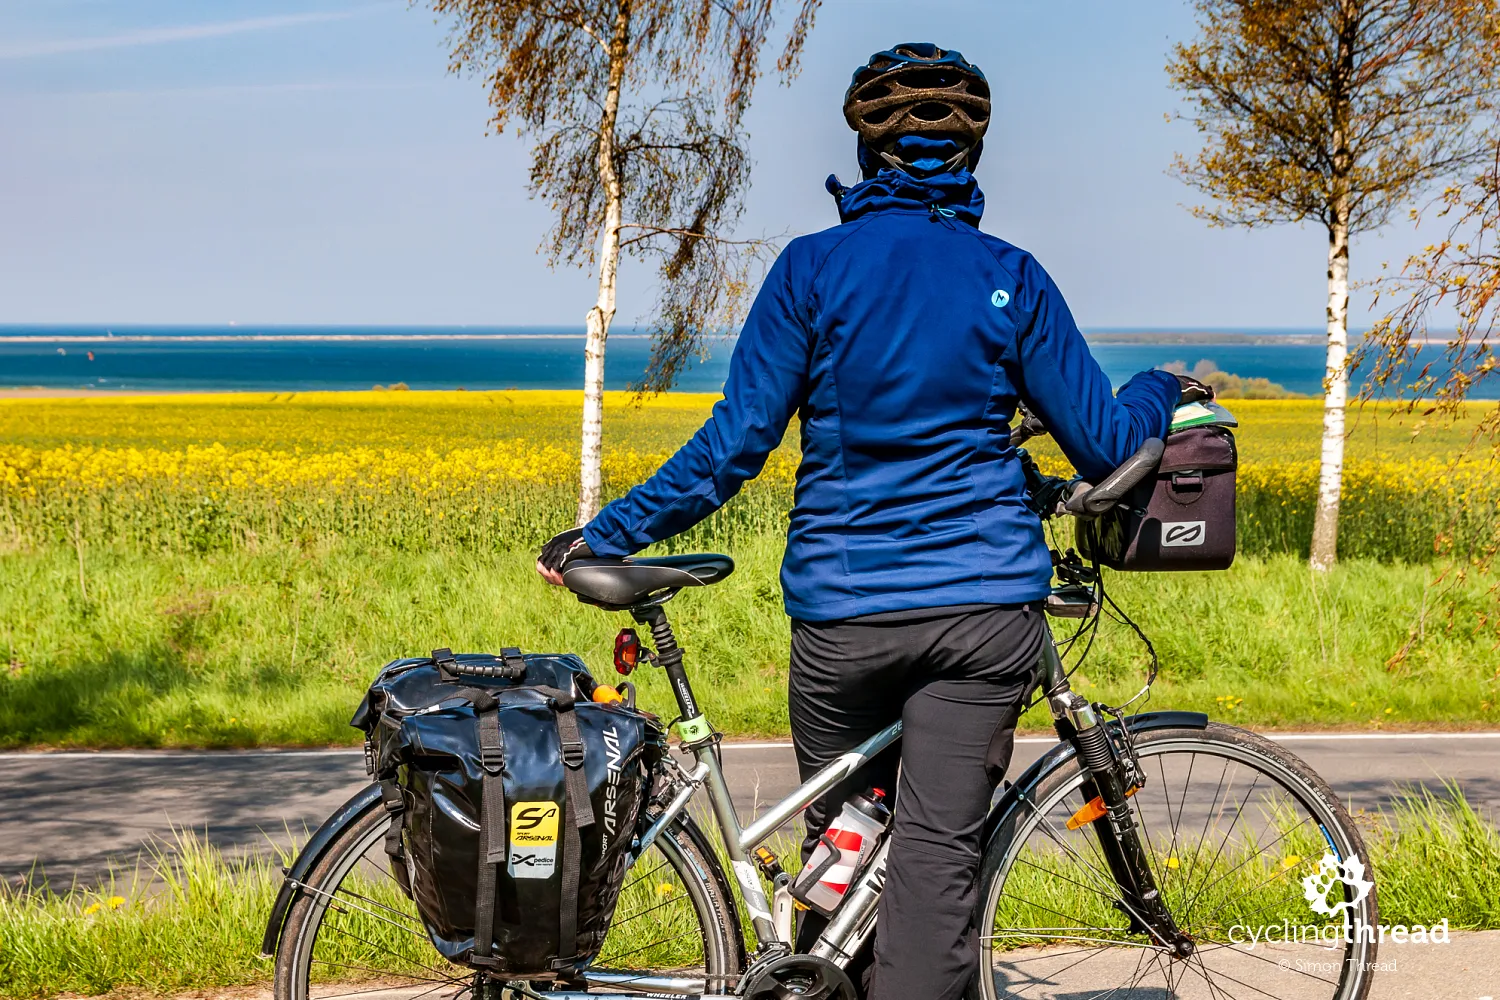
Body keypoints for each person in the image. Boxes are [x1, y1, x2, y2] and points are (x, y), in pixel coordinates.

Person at [538, 42, 1205, 1000]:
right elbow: (1105, 445)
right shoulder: (1007, 274)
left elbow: (733, 447)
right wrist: (1157, 387)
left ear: (864, 151)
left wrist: (607, 534)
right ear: (973, 156)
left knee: (845, 858)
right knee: (932, 863)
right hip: (979, 619)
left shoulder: (812, 271)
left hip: (841, 623)